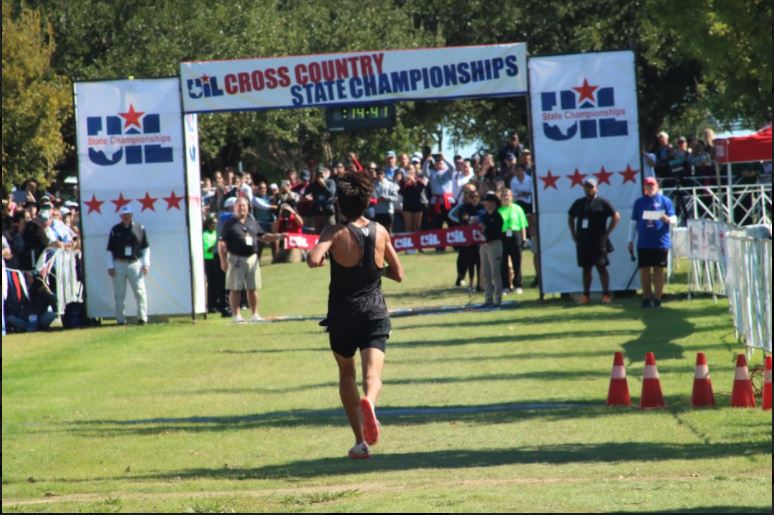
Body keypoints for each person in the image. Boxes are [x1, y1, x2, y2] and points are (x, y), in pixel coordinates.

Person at [306, 171, 404, 459]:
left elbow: (313, 259)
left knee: (346, 373)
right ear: (366, 202)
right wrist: (375, 271)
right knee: (373, 375)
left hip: (342, 315)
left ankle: (360, 441)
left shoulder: (333, 232)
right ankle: (370, 402)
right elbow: (399, 273)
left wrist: (324, 257)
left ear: (338, 203)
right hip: (375, 313)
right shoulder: (381, 231)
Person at [218, 197, 283, 323]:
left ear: (248, 207)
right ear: (235, 207)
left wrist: (278, 236)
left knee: (253, 288)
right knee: (235, 288)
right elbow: (221, 244)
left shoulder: (251, 221)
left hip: (252, 258)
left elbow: (262, 236)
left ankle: (255, 314)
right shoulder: (229, 224)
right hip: (236, 258)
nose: (242, 208)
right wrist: (223, 260)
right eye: (240, 206)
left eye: (244, 206)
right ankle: (236, 315)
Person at [567, 178, 621, 304]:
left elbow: (616, 216)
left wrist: (607, 233)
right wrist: (573, 233)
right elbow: (570, 217)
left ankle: (606, 295)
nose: (588, 189)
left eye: (591, 186)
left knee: (601, 267)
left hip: (598, 241)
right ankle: (586, 296)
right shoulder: (579, 203)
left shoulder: (602, 202)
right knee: (586, 269)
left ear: (596, 188)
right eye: (586, 186)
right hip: (583, 241)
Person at [628, 177, 676, 308]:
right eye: (648, 185)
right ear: (644, 187)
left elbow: (675, 218)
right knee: (644, 270)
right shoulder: (639, 202)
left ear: (657, 186)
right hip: (643, 242)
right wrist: (630, 240)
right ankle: (646, 297)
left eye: (652, 185)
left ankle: (658, 298)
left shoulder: (665, 201)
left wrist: (668, 219)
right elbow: (633, 223)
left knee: (658, 270)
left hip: (660, 242)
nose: (650, 187)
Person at [107, 205, 150, 325]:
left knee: (140, 292)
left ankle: (142, 318)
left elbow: (146, 248)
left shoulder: (140, 228)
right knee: (119, 294)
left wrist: (146, 264)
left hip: (135, 263)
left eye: (128, 214)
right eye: (124, 215)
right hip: (119, 264)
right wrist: (110, 266)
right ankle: (120, 320)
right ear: (121, 216)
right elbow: (110, 250)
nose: (126, 217)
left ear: (132, 215)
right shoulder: (115, 230)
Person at [448, 189, 485, 291]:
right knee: (469, 262)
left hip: (480, 240)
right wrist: (466, 219)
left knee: (480, 262)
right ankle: (471, 283)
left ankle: (480, 283)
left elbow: (485, 218)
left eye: (476, 197)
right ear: (468, 198)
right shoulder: (464, 207)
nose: (474, 199)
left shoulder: (483, 208)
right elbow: (458, 217)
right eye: (472, 197)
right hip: (467, 240)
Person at [498, 189, 528, 294]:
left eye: (508, 195)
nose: (506, 197)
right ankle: (505, 286)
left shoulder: (518, 209)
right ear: (500, 197)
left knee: (517, 261)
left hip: (515, 235)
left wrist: (524, 239)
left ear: (512, 197)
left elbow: (523, 225)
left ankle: (518, 285)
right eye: (504, 195)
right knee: (503, 263)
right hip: (503, 236)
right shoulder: (498, 210)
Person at [479, 191, 505, 306]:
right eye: (485, 201)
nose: (486, 203)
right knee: (486, 273)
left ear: (494, 203)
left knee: (495, 272)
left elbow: (496, 232)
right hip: (484, 245)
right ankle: (488, 298)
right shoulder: (484, 216)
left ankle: (498, 298)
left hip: (494, 244)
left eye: (488, 201)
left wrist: (485, 229)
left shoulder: (498, 216)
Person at [372, 167, 400, 233]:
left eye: (381, 173)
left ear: (384, 174)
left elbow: (396, 198)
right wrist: (375, 200)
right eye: (378, 173)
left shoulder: (390, 184)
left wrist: (386, 198)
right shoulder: (373, 186)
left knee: (389, 230)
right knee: (379, 232)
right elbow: (372, 198)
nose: (379, 175)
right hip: (378, 212)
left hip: (388, 211)